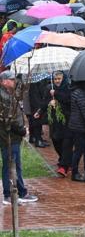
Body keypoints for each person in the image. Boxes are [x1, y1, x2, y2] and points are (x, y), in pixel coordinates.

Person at [0, 71, 38, 205]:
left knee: (14, 165)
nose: (14, 81)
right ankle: (12, 194)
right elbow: (8, 120)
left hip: (12, 136)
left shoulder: (9, 94)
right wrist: (21, 130)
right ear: (4, 81)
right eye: (11, 79)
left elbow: (21, 92)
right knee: (11, 166)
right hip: (9, 137)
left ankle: (17, 192)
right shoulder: (3, 96)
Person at [49, 71, 73, 177]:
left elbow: (68, 100)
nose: (57, 81)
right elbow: (45, 102)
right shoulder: (50, 89)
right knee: (56, 140)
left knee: (66, 143)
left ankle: (64, 167)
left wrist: (56, 95)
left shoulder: (68, 88)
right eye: (55, 79)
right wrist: (50, 103)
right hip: (55, 122)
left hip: (67, 120)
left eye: (59, 78)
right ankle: (66, 160)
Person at [27, 78, 49, 148]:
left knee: (34, 119)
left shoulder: (35, 78)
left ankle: (34, 137)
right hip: (37, 101)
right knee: (37, 120)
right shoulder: (38, 78)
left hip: (35, 100)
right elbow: (42, 91)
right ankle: (38, 140)